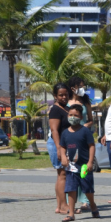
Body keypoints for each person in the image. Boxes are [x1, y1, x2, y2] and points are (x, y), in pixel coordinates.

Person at [59, 106, 100, 221]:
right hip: (71, 167)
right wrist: (63, 157)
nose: (73, 117)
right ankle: (71, 213)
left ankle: (92, 204)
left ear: (81, 117)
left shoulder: (85, 131)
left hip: (84, 167)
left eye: (76, 115)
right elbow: (62, 147)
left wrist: (90, 162)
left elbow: (91, 146)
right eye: (70, 115)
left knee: (87, 189)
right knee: (71, 189)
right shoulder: (65, 133)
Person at [68, 76, 93, 212]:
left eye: (84, 86)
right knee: (71, 170)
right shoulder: (66, 101)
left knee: (84, 170)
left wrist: (84, 126)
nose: (83, 89)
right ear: (73, 88)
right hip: (70, 138)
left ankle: (85, 201)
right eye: (81, 86)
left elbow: (91, 120)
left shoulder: (86, 101)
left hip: (83, 138)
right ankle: (70, 202)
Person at [46, 83, 71, 214]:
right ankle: (64, 206)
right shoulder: (55, 109)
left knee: (61, 175)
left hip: (63, 144)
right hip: (57, 144)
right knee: (63, 175)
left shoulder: (66, 108)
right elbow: (54, 130)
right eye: (61, 95)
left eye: (66, 94)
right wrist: (59, 148)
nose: (64, 97)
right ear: (55, 96)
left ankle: (59, 205)